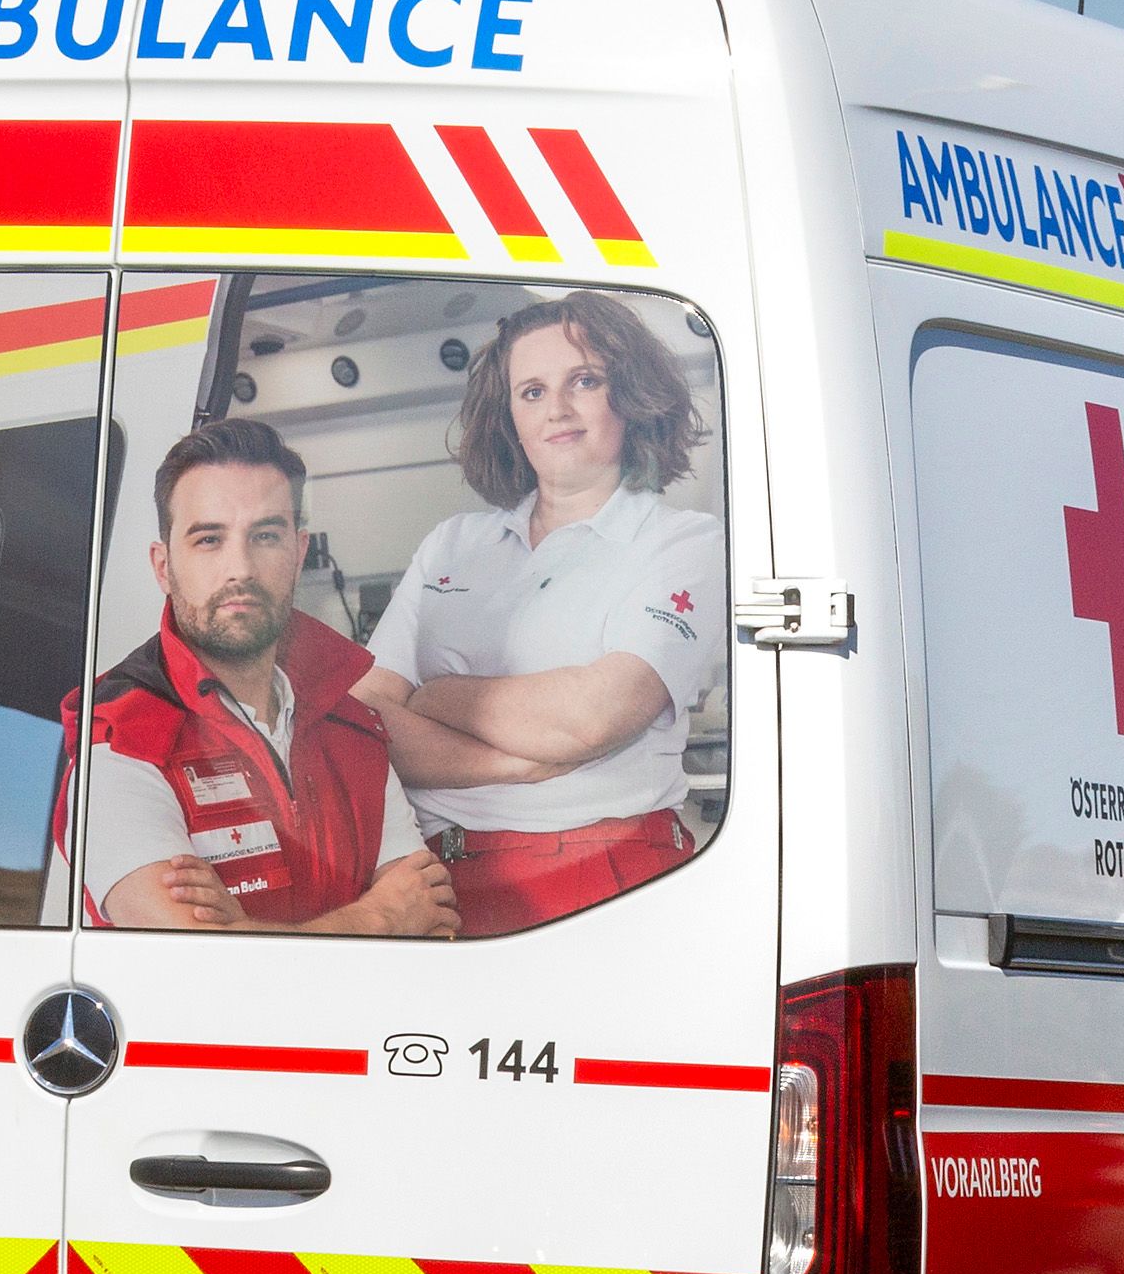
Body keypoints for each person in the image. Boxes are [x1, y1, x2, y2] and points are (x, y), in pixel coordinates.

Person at [359, 291, 722, 937]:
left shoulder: (682, 542)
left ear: (630, 394)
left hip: (606, 872)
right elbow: (364, 721)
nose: (557, 409)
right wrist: (519, 761)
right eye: (532, 391)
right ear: (510, 418)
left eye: (584, 381)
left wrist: (436, 695)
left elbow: (593, 716)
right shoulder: (452, 544)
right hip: (436, 881)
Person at [63, 415, 458, 935]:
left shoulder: (355, 731)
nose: (241, 569)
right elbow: (197, 959)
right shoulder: (121, 747)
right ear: (163, 567)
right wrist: (380, 915)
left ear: (298, 553)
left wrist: (248, 931)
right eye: (209, 539)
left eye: (266, 536)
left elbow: (431, 923)